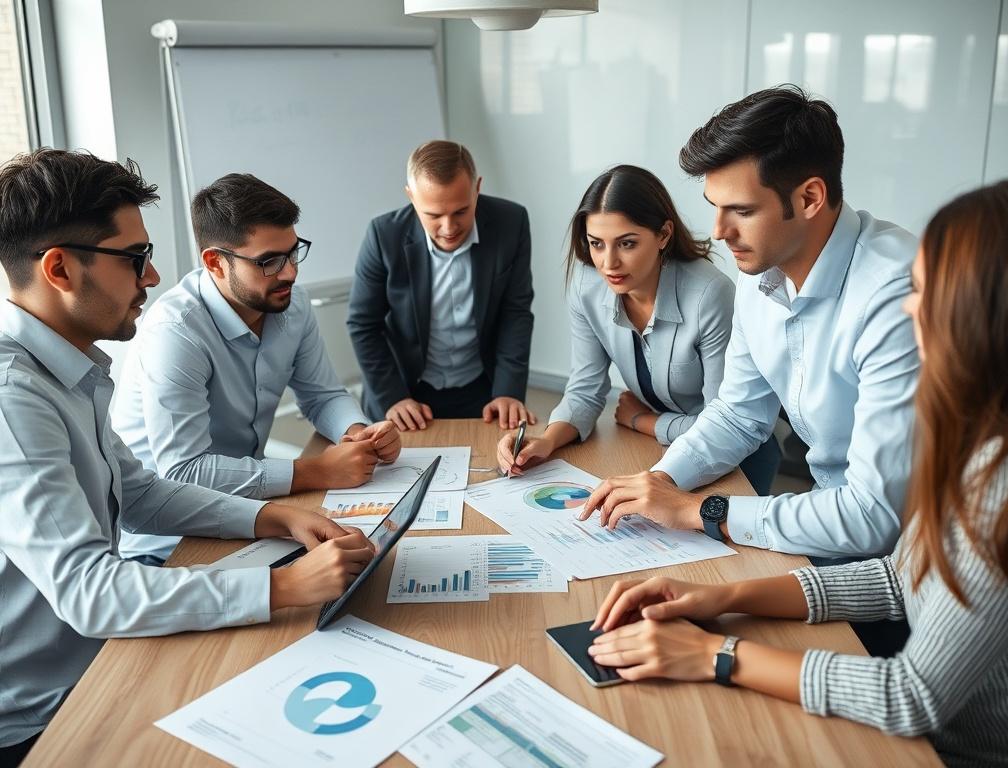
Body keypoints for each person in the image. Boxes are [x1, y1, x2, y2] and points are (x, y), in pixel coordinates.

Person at [587, 178, 1008, 767]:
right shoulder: (982, 443)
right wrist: (721, 597)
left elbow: (911, 695)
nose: (911, 305)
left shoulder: (1004, 481)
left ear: (992, 316)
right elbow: (901, 578)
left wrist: (716, 654)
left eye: (929, 289)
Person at [0, 150, 374, 763]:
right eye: (135, 258)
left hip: (98, 656)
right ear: (60, 269)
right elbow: (91, 592)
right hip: (42, 712)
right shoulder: (14, 401)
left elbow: (141, 492)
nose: (151, 277)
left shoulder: (67, 368)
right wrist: (279, 586)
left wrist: (274, 519)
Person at [582, 85, 920, 562]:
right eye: (714, 206)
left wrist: (700, 510)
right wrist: (661, 481)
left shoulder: (896, 292)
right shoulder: (762, 268)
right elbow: (738, 413)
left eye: (741, 210)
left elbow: (872, 517)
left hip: (916, 560)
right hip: (827, 524)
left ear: (809, 198)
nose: (719, 231)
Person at [112, 173, 399, 564]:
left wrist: (361, 435)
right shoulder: (175, 332)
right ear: (215, 262)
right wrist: (314, 472)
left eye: (293, 252)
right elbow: (185, 473)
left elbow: (323, 395)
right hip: (169, 547)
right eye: (269, 261)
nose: (290, 273)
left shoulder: (291, 305)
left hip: (255, 519)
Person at [496, 165, 780, 494]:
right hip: (663, 452)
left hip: (734, 461)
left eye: (627, 244)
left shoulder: (709, 294)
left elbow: (724, 424)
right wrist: (547, 440)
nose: (608, 263)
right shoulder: (587, 287)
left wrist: (643, 421)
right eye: (596, 244)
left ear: (663, 235)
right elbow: (585, 390)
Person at [347, 140, 535, 432]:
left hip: (483, 393)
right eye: (433, 216)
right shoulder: (383, 235)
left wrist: (508, 390)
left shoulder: (511, 222)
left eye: (461, 211)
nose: (449, 228)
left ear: (477, 188)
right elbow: (363, 324)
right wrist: (393, 398)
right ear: (411, 196)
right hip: (404, 394)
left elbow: (516, 312)